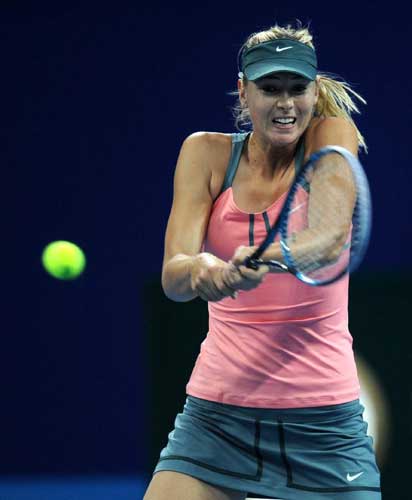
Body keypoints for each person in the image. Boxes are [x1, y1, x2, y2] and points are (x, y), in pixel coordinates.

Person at [143, 22, 381, 500]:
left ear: (315, 91)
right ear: (243, 91)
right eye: (270, 89)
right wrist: (205, 270)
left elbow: (328, 240)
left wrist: (260, 257)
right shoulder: (204, 153)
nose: (286, 103)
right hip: (215, 417)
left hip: (323, 426)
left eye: (297, 88)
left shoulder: (333, 134)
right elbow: (175, 275)